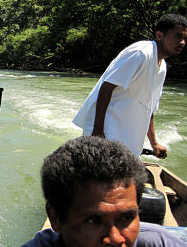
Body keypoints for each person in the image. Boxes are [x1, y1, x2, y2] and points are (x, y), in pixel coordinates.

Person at [22, 136, 186, 247]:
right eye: (93, 221)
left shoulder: (159, 242)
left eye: (127, 218)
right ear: (55, 218)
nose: (116, 239)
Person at [73, 13, 187, 158]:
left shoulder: (162, 66)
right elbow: (106, 88)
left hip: (128, 140)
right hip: (106, 134)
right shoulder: (141, 53)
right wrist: (97, 132)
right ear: (159, 35)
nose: (182, 42)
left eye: (184, 38)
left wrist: (154, 143)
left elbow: (149, 106)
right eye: (177, 36)